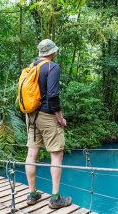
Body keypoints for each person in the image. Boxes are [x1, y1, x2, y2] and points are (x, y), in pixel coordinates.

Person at [25, 39, 72, 209]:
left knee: (31, 154)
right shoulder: (52, 67)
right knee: (56, 155)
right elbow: (52, 96)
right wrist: (60, 118)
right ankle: (55, 198)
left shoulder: (32, 67)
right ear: (51, 52)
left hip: (31, 116)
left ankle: (32, 194)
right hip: (47, 115)